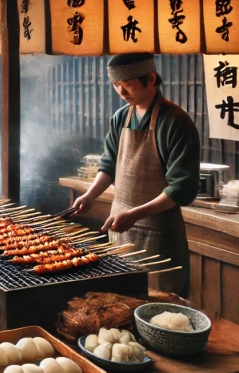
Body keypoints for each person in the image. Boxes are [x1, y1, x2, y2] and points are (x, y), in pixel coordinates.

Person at [71, 53, 200, 296]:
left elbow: (180, 188)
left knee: (159, 303)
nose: (121, 92)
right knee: (118, 300)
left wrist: (136, 213)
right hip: (120, 226)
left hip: (158, 232)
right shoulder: (121, 117)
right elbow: (108, 165)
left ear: (150, 79)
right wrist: (90, 195)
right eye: (116, 85)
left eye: (128, 85)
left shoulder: (175, 122)